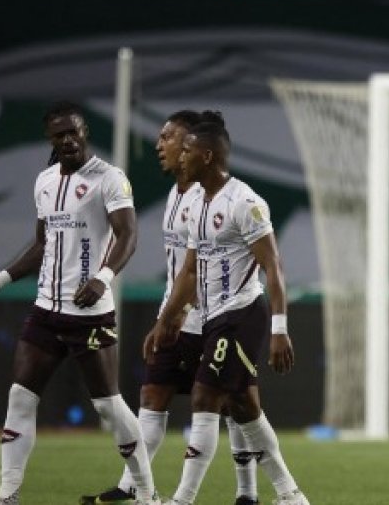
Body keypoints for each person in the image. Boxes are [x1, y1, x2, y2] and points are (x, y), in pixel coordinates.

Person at [0, 101, 159, 504]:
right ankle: (7, 495)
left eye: (74, 131)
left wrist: (103, 279)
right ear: (50, 138)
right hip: (45, 311)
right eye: (60, 134)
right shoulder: (45, 181)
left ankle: (146, 492)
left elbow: (128, 236)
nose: (68, 140)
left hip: (89, 314)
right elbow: (41, 243)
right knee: (20, 397)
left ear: (85, 132)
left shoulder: (109, 178)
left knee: (107, 406)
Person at [81, 111, 259, 505]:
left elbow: (206, 267)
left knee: (233, 401)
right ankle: (134, 487)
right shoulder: (177, 193)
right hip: (176, 315)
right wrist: (168, 314)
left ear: (191, 147)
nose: (160, 145)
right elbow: (181, 268)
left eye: (168, 138)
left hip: (209, 316)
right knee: (153, 394)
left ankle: (247, 492)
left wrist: (176, 315)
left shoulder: (209, 196)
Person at [143, 119, 309, 505]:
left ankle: (182, 499)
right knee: (244, 407)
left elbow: (273, 267)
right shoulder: (195, 205)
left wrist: (280, 329)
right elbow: (188, 271)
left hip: (242, 313)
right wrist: (165, 320)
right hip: (213, 317)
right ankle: (290, 494)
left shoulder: (244, 203)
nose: (180, 156)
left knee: (204, 397)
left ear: (207, 155)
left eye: (187, 151)